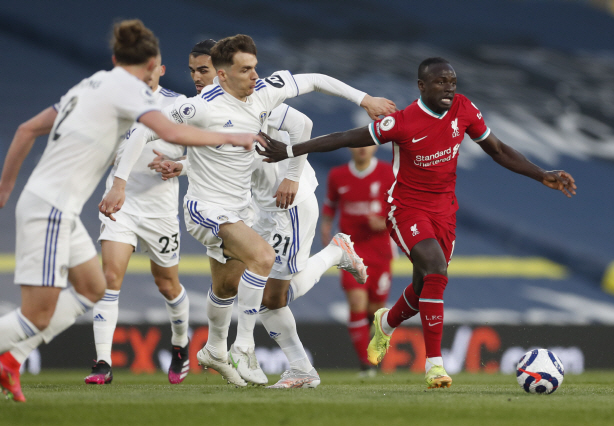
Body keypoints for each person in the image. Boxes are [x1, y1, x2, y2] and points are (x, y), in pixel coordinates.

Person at [258, 57, 577, 389]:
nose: (449, 88)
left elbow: (497, 150)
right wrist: (292, 150)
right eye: (440, 82)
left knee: (426, 285)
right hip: (406, 210)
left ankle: (386, 323)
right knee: (436, 269)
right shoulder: (403, 121)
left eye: (452, 82)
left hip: (445, 212)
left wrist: (542, 175)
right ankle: (435, 365)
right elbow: (345, 138)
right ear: (421, 87)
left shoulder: (464, 109)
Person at [102, 34, 396, 387]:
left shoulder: (263, 94)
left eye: (254, 67)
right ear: (223, 76)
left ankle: (216, 349)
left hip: (255, 208)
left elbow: (315, 81)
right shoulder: (201, 107)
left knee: (232, 287)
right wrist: (119, 183)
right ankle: (243, 347)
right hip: (207, 208)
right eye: (245, 70)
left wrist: (366, 99)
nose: (255, 76)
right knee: (263, 262)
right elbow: (143, 130)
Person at [0, 19, 260, 402]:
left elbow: (25, 129)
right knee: (37, 315)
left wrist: (5, 188)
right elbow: (169, 132)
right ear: (152, 63)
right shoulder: (129, 91)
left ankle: (13, 359)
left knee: (94, 287)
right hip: (54, 207)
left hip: (61, 206)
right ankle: (18, 355)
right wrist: (231, 135)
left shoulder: (88, 85)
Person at [84, 54, 191, 386]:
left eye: (152, 66)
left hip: (160, 210)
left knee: (167, 285)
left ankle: (180, 344)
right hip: (122, 205)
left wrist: (180, 166)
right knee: (110, 276)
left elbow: (203, 154)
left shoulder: (182, 105)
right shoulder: (113, 105)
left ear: (161, 69)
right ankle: (102, 362)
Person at [321, 145, 395, 377]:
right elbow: (329, 208)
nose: (363, 148)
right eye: (357, 143)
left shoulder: (387, 173)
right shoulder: (337, 175)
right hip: (351, 251)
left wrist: (385, 223)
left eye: (368, 143)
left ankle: (370, 345)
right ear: (350, 147)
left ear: (375, 146)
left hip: (381, 252)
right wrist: (325, 235)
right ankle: (366, 365)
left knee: (374, 310)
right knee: (356, 302)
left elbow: (401, 208)